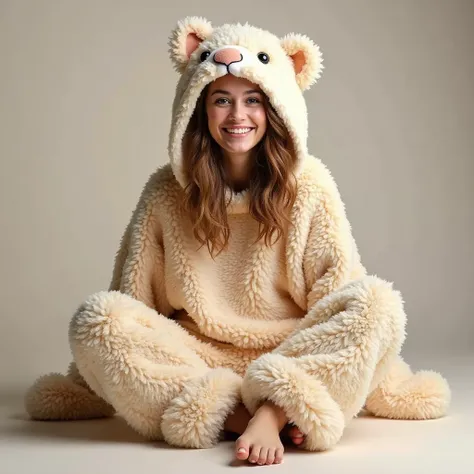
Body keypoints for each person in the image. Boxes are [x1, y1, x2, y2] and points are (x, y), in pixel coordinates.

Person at [25, 17, 451, 467]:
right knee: (98, 319)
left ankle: (272, 408)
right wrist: (90, 374)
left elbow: (338, 291)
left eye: (253, 100)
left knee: (377, 303)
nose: (237, 117)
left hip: (292, 352)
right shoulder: (165, 192)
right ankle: (239, 414)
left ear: (277, 106)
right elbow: (135, 297)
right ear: (197, 107)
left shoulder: (310, 186)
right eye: (221, 100)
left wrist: (363, 369)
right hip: (200, 361)